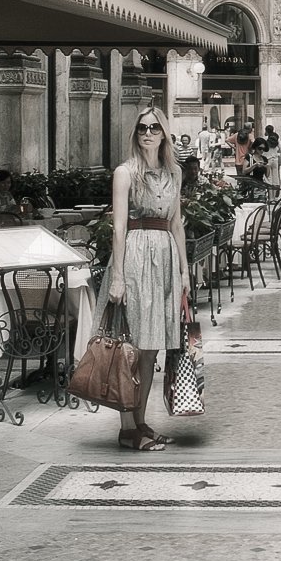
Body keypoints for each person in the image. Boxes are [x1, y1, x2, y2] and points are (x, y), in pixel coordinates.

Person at [100, 107, 189, 452]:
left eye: (154, 128)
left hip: (165, 258)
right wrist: (118, 276)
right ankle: (126, 427)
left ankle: (141, 420)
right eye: (141, 128)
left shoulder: (174, 173)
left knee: (152, 349)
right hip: (135, 257)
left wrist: (183, 270)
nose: (147, 133)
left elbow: (177, 223)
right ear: (135, 133)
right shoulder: (125, 173)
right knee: (131, 347)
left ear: (164, 134)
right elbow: (119, 227)